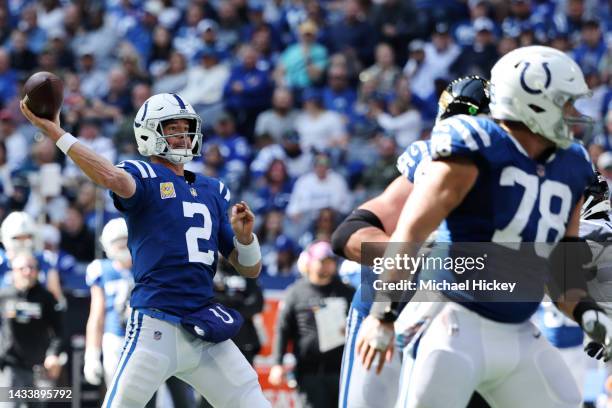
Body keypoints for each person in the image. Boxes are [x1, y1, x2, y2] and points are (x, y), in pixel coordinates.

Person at [357, 45, 599, 408]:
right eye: (565, 103)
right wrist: (383, 313)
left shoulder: (573, 165)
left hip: (520, 333)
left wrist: (593, 318)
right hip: (454, 325)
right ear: (533, 101)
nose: (575, 114)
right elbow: (412, 230)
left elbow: (564, 276)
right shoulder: (477, 144)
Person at [20, 92, 270, 408]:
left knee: (252, 400)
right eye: (172, 127)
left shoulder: (213, 190)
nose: (182, 135)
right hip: (157, 323)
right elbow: (110, 176)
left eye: (186, 127)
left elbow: (250, 269)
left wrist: (246, 239)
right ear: (149, 133)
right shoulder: (145, 175)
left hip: (204, 324)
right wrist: (58, 133)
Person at [332, 75, 491, 408]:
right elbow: (350, 232)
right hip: (396, 304)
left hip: (474, 319)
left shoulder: (529, 175)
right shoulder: (429, 159)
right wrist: (408, 260)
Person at [268, 241, 355, 408]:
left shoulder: (347, 291)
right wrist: (277, 364)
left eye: (330, 261)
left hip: (342, 372)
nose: (327, 266)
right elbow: (282, 330)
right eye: (322, 261)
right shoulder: (296, 292)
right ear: (309, 262)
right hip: (309, 373)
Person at [0, 251, 64, 401]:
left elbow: (59, 330)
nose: (27, 272)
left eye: (31, 267)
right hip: (11, 365)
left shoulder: (46, 298)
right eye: (22, 268)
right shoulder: (3, 296)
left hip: (39, 368)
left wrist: (53, 354)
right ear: (13, 271)